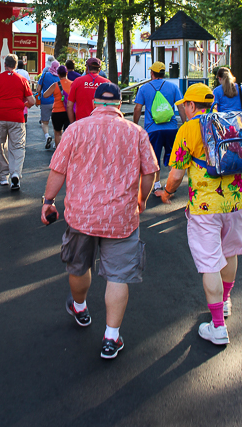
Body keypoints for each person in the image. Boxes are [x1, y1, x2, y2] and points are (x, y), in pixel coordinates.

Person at [41, 82, 159, 359]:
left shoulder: (76, 129)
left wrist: (48, 202)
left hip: (82, 216)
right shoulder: (136, 132)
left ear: (95, 103)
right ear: (119, 105)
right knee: (118, 276)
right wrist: (142, 199)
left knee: (79, 266)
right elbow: (150, 172)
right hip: (122, 217)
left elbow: (58, 169)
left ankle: (80, 308)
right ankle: (111, 337)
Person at [156, 83, 242, 346]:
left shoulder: (189, 128)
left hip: (205, 208)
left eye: (185, 105)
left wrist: (167, 193)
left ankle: (217, 327)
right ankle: (225, 302)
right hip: (236, 203)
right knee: (230, 253)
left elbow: (177, 173)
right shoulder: (236, 122)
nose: (183, 109)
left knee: (210, 263)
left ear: (192, 105)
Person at [0, 53, 35, 190]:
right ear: (16, 65)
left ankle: (3, 176)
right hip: (16, 117)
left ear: (5, 64)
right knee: (18, 146)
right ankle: (15, 173)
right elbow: (32, 101)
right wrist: (23, 105)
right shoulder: (22, 80)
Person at [133, 60, 186, 194]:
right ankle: (171, 184)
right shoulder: (173, 87)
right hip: (171, 128)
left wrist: (135, 124)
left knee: (154, 157)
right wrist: (185, 123)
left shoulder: (144, 88)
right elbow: (180, 106)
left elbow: (138, 108)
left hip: (153, 129)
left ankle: (157, 185)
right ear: (163, 73)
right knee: (171, 156)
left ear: (152, 73)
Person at [66, 57, 106, 123]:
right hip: (100, 124)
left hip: (81, 123)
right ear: (100, 69)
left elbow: (69, 105)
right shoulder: (107, 83)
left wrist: (72, 124)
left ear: (87, 68)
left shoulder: (77, 81)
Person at [42, 64, 71, 148]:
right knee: (68, 133)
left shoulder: (55, 85)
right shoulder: (72, 84)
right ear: (66, 73)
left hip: (57, 112)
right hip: (68, 111)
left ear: (58, 74)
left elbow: (45, 95)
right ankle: (67, 150)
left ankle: (58, 152)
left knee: (57, 133)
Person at [37, 57, 58, 149]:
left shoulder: (45, 75)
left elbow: (38, 89)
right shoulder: (60, 77)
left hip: (45, 101)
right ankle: (56, 142)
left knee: (44, 122)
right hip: (57, 103)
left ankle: (47, 136)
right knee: (56, 124)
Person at [16, 59, 31, 124]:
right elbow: (28, 82)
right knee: (25, 103)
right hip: (24, 90)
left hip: (16, 90)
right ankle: (25, 114)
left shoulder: (15, 72)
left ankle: (18, 115)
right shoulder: (25, 72)